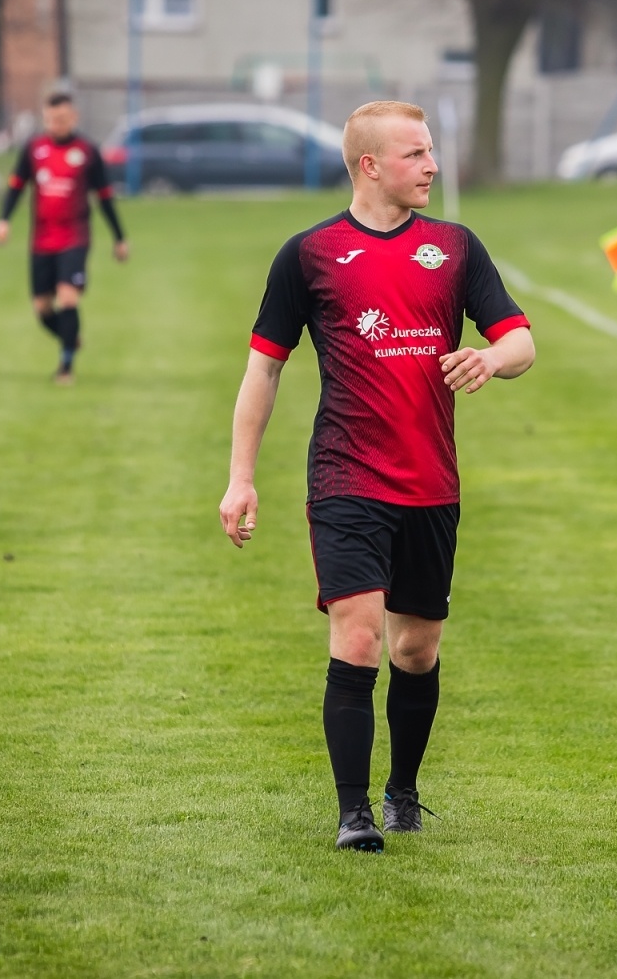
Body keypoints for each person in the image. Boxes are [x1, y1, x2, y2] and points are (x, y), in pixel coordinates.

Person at [218, 100, 534, 852]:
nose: (431, 166)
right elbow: (263, 369)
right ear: (370, 166)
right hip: (346, 476)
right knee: (357, 637)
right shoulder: (310, 254)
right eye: (416, 155)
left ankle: (403, 793)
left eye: (430, 152)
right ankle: (353, 812)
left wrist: (489, 357)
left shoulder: (456, 248)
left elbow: (521, 340)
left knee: (415, 650)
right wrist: (241, 478)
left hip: (432, 483)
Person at [0, 91, 128, 384]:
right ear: (45, 119)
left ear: (74, 118)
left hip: (74, 238)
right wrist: (3, 220)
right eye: (52, 119)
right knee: (42, 307)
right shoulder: (33, 149)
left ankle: (66, 367)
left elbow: (104, 198)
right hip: (41, 240)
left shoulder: (88, 152)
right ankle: (70, 337)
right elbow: (16, 187)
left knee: (68, 297)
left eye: (63, 119)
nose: (57, 124)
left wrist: (120, 238)